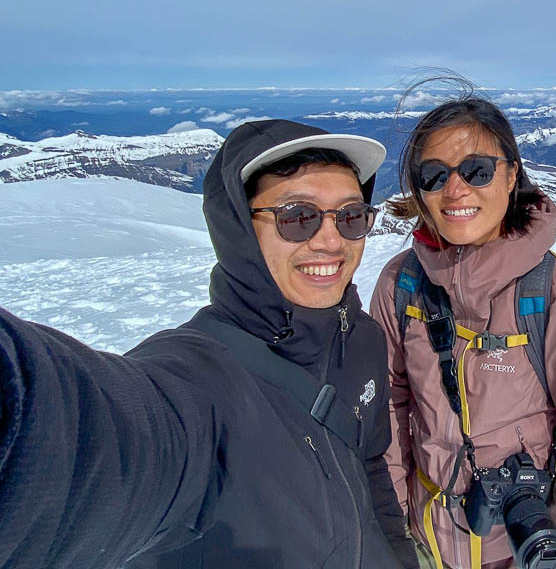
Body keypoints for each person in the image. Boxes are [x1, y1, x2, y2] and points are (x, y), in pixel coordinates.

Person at [0, 119, 419, 569]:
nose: (332, 240)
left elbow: (371, 467)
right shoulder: (199, 381)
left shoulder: (363, 340)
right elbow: (83, 438)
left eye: (351, 216)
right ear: (240, 230)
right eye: (298, 217)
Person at [369, 97, 556, 569]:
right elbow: (388, 414)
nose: (455, 189)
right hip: (421, 545)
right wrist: (394, 533)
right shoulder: (400, 285)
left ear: (511, 175)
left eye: (477, 170)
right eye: (434, 175)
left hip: (515, 551)